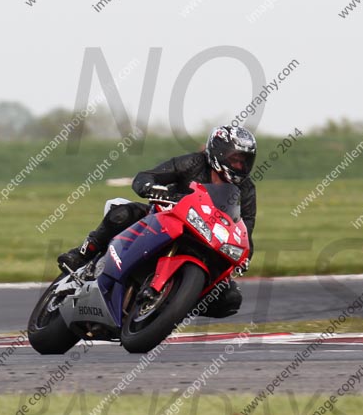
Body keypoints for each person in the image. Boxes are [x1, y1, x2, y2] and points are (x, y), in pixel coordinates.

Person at [57, 125, 257, 318]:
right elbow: (147, 176)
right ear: (218, 152)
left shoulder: (246, 188)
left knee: (230, 299)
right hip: (166, 217)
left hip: (206, 240)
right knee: (122, 214)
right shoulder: (193, 163)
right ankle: (83, 253)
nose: (240, 166)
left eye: (244, 161)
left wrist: (245, 254)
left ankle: (175, 304)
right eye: (235, 159)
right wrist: (150, 187)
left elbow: (245, 227)